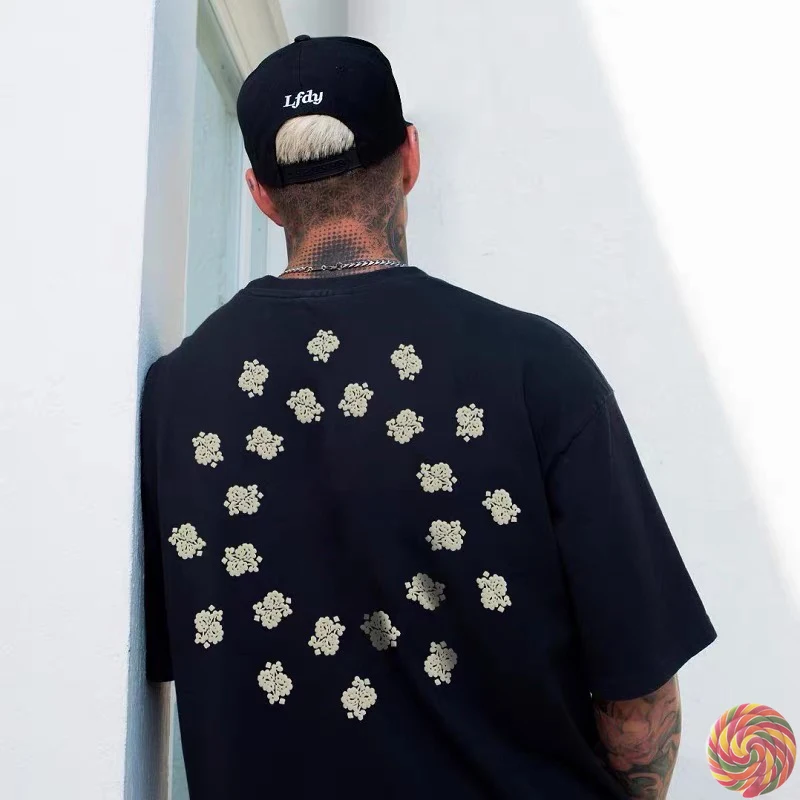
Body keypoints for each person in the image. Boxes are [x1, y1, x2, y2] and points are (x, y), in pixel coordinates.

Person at [142, 35, 716, 800]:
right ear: (410, 156)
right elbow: (639, 706)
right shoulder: (537, 369)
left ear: (261, 194)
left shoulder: (176, 397)